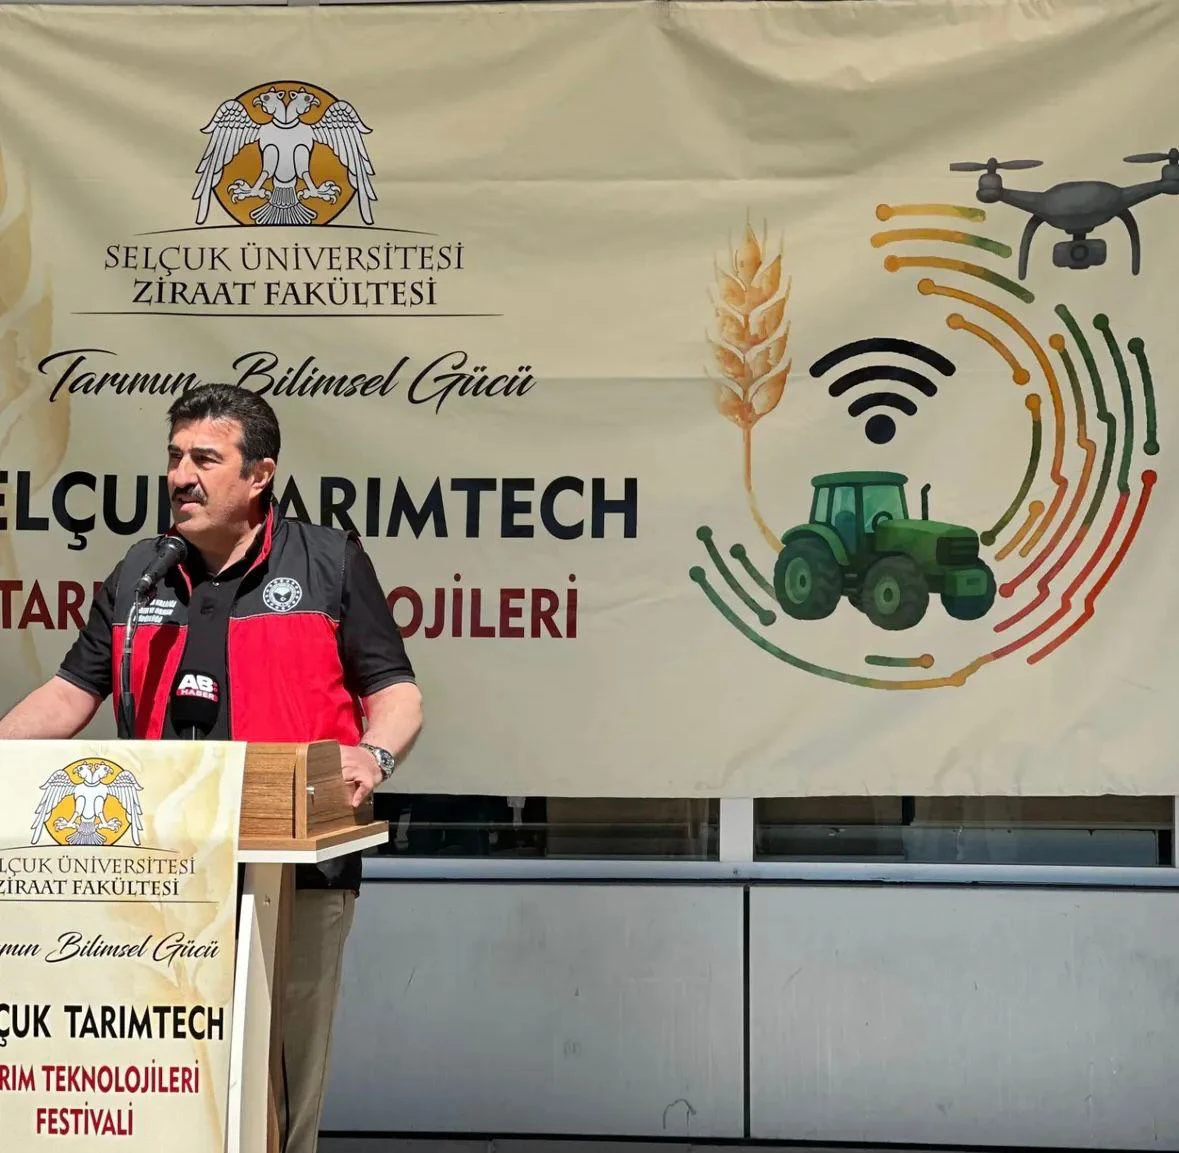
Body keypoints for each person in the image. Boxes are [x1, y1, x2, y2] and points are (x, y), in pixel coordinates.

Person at [0, 383, 423, 1153]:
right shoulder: (141, 573)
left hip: (295, 873)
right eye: (174, 457)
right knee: (166, 1078)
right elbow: (68, 695)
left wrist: (374, 753)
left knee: (276, 1078)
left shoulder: (328, 562)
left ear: (259, 474)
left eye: (204, 458)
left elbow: (395, 694)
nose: (180, 476)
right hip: (163, 876)